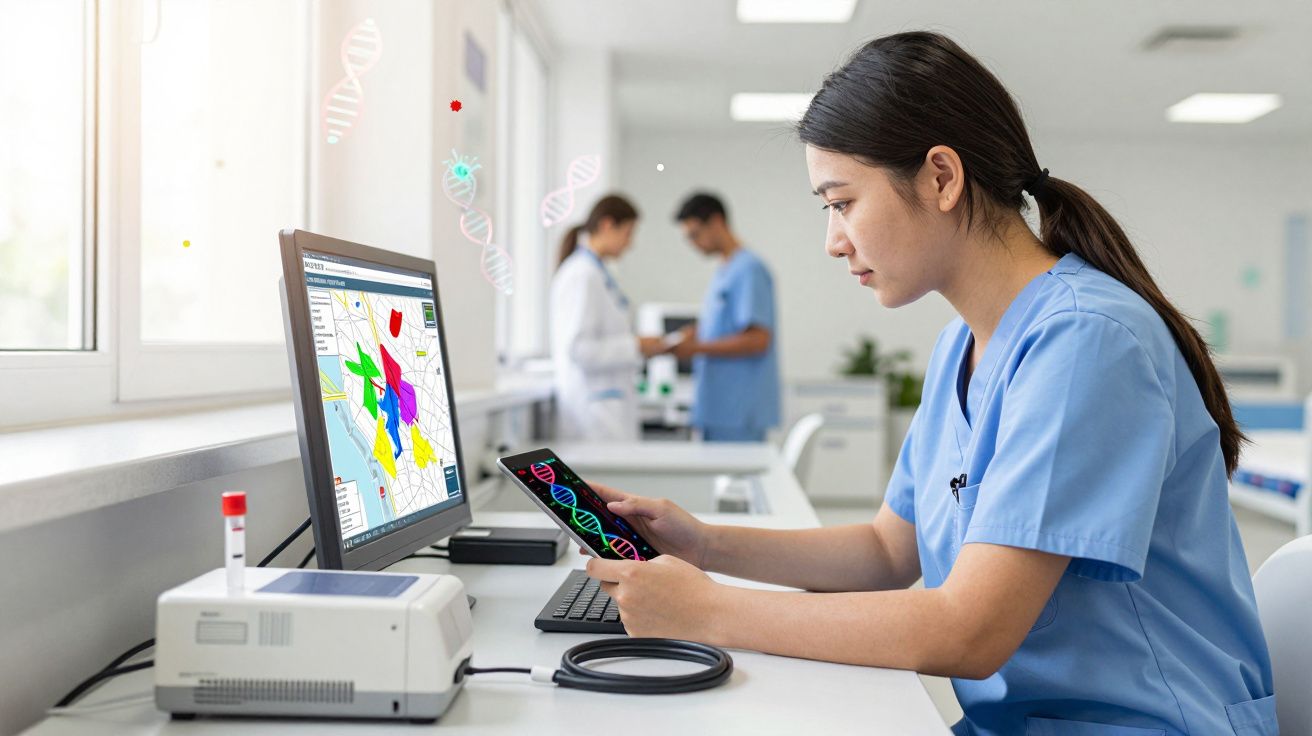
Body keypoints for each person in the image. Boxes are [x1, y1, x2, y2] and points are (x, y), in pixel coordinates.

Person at [584, 32, 1275, 735]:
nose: (833, 239)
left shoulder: (1085, 340)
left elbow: (970, 632)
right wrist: (702, 546)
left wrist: (710, 611)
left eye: (842, 202)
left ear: (941, 177)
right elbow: (888, 550)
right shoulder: (960, 348)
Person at [550, 195, 665, 441]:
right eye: (628, 233)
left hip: (606, 408)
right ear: (607, 225)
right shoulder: (582, 275)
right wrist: (636, 346)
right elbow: (578, 349)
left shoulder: (596, 274)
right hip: (592, 414)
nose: (630, 244)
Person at [672, 192, 780, 442]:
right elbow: (724, 329)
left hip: (737, 412)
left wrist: (696, 348)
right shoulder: (724, 270)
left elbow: (758, 340)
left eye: (695, 234)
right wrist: (696, 335)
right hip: (717, 409)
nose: (693, 243)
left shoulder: (749, 269)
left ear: (717, 221)